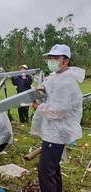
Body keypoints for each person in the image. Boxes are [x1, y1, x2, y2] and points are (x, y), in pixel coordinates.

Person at [31, 44, 85, 192]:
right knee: (53, 168)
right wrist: (41, 86)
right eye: (50, 58)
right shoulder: (58, 75)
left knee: (46, 171)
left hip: (58, 131)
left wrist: (38, 107)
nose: (52, 61)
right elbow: (49, 81)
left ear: (66, 60)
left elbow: (59, 111)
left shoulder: (67, 82)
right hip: (53, 130)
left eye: (56, 58)